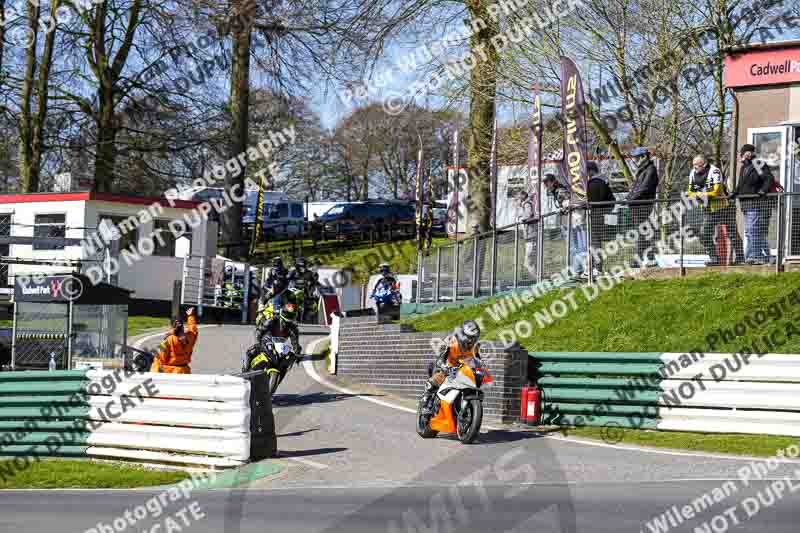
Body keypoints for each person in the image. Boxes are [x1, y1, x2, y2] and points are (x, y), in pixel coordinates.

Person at [687, 155, 745, 266]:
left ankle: (740, 257)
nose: (694, 167)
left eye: (697, 165)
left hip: (724, 207)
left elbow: (716, 191)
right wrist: (700, 194)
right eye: (693, 165)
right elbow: (690, 191)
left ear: (703, 164)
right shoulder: (692, 173)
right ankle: (714, 258)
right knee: (705, 233)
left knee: (732, 233)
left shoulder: (715, 171)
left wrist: (700, 194)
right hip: (708, 209)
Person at [419, 320, 481, 415]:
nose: (471, 341)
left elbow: (477, 360)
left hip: (462, 369)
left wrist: (480, 369)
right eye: (470, 338)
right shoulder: (453, 341)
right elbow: (443, 353)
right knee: (436, 379)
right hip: (448, 365)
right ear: (464, 335)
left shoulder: (475, 346)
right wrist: (441, 363)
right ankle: (426, 402)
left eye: (474, 338)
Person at [733, 144, 773, 264]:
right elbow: (740, 184)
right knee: (751, 231)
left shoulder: (757, 163)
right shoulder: (744, 167)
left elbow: (768, 178)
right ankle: (765, 256)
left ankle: (756, 256)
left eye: (748, 152)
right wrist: (734, 193)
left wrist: (763, 190)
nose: (745, 154)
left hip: (755, 202)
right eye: (745, 152)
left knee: (752, 229)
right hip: (745, 203)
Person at [544, 173, 587, 278]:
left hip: (572, 222)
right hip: (568, 222)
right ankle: (578, 270)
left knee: (578, 247)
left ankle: (585, 269)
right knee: (573, 248)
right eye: (544, 183)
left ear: (553, 181)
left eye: (547, 182)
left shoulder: (560, 190)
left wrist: (563, 208)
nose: (545, 185)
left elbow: (568, 202)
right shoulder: (556, 191)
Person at [626, 147, 660, 268]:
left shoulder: (650, 170)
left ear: (644, 157)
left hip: (643, 205)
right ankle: (649, 258)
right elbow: (635, 187)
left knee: (642, 233)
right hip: (637, 205)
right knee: (643, 232)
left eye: (636, 158)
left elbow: (644, 188)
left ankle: (642, 258)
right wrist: (628, 197)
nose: (635, 160)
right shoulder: (642, 170)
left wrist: (631, 199)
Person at [249, 302, 302, 370]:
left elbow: (295, 343)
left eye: (291, 315)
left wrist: (297, 354)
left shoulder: (293, 328)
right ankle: (245, 369)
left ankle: (281, 371)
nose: (289, 316)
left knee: (289, 358)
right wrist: (258, 342)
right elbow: (260, 331)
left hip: (281, 344)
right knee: (251, 351)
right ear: (282, 312)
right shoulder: (273, 320)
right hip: (267, 340)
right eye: (288, 314)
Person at [586, 161, 616, 272]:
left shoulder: (592, 184)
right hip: (602, 215)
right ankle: (594, 267)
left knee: (594, 242)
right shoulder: (603, 181)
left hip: (595, 216)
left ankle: (596, 268)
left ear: (590, 171)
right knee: (595, 243)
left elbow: (591, 199)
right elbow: (612, 200)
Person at [151, 307, 198, 374]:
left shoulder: (168, 340)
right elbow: (193, 329)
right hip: (185, 372)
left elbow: (159, 358)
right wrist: (190, 316)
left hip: (171, 373)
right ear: (183, 326)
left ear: (171, 326)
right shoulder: (190, 337)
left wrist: (153, 374)